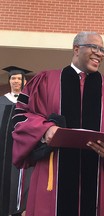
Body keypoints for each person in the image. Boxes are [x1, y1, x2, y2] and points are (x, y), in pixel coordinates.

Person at [11, 31, 104, 216]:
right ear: (76, 49)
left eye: (103, 50)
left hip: (95, 179)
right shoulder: (46, 81)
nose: (100, 53)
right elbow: (20, 116)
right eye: (94, 47)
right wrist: (45, 130)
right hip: (53, 177)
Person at [0, 66, 33, 216]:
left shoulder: (30, 102)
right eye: (13, 78)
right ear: (9, 81)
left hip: (22, 150)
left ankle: (19, 209)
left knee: (22, 179)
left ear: (24, 81)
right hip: (3, 150)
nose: (16, 81)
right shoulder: (2, 101)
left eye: (19, 78)